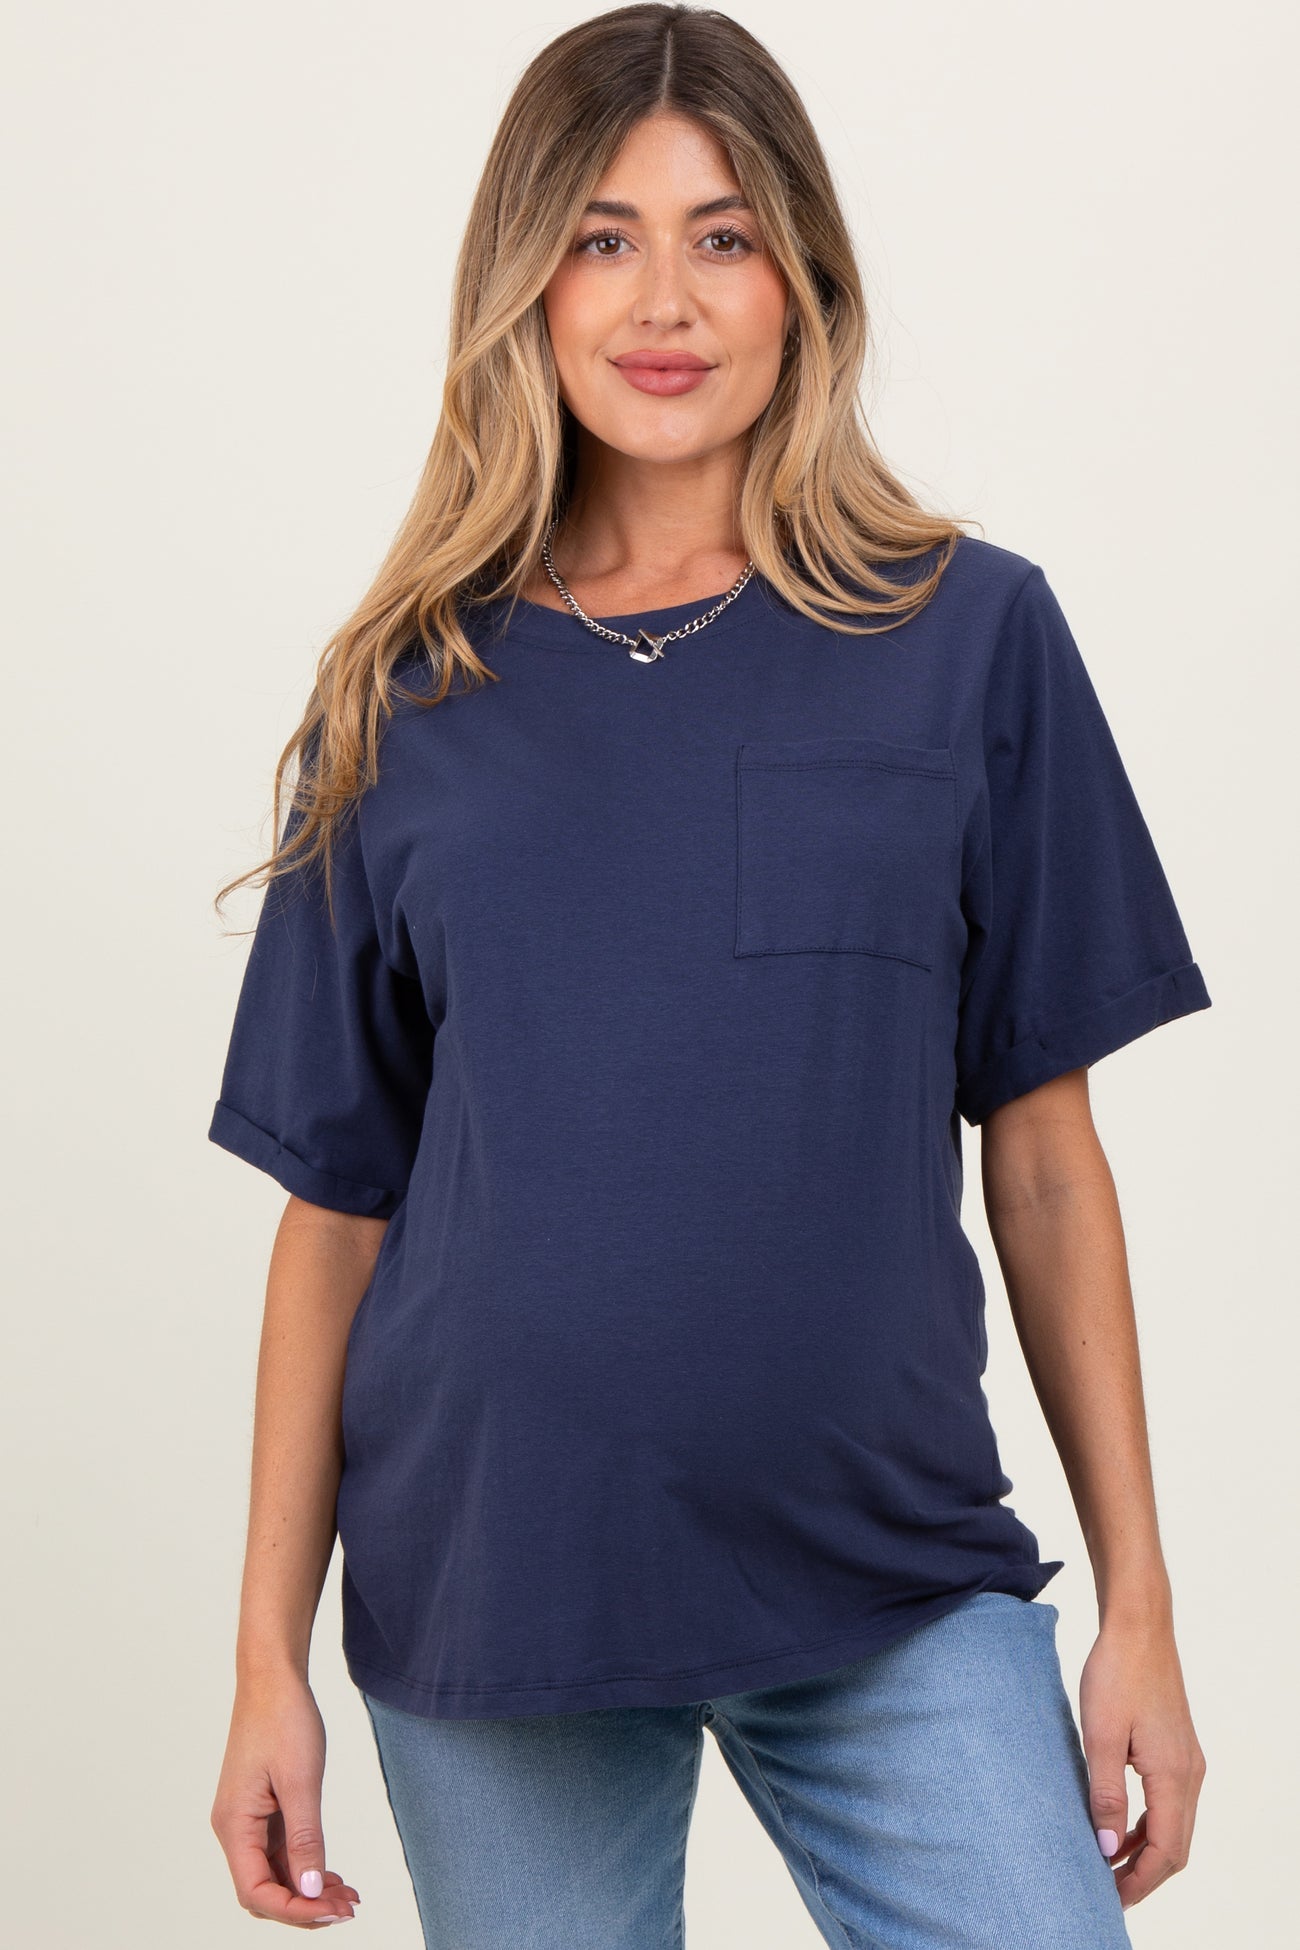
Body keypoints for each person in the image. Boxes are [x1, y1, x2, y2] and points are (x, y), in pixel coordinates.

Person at [205, 7, 1211, 1944]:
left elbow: (1043, 1164)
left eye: (722, 236)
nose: (662, 299)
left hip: (886, 1566)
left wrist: (1138, 1610)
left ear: (800, 280)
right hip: (496, 1595)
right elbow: (332, 1215)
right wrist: (265, 1659)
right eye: (601, 237)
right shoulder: (403, 694)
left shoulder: (968, 637)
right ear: (523, 285)